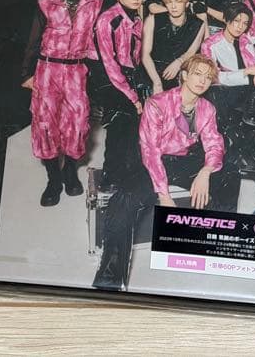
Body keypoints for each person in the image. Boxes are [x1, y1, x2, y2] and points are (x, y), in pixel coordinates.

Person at [93, 54, 235, 291]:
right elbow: (150, 151)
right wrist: (164, 195)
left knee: (229, 175)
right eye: (197, 74)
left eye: (208, 77)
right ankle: (110, 278)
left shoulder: (207, 108)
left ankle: (214, 250)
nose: (202, 81)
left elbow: (214, 143)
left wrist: (206, 171)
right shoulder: (157, 103)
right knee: (122, 199)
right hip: (156, 161)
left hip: (186, 159)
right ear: (184, 75)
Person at [20, 0, 104, 206]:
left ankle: (69, 173)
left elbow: (101, 38)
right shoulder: (45, 3)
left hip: (77, 70)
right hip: (48, 69)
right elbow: (33, 39)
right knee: (45, 124)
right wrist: (26, 73)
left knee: (78, 123)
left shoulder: (96, 3)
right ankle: (53, 180)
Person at [201, 2, 255, 206]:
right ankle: (242, 155)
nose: (240, 26)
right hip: (229, 89)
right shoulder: (211, 43)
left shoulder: (248, 37)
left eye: (245, 23)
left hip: (254, 88)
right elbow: (212, 77)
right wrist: (248, 72)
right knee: (218, 93)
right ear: (226, 20)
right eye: (236, 21)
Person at [90, 0, 151, 188]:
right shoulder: (108, 20)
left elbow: (134, 58)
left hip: (128, 75)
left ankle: (129, 174)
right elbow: (110, 64)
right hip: (107, 78)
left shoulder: (136, 18)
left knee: (135, 127)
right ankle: (110, 177)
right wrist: (132, 97)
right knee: (120, 124)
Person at [142, 0, 206, 93]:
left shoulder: (198, 23)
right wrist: (157, 82)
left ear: (187, 4)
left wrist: (178, 62)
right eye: (169, 2)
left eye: (178, 1)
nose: (173, 6)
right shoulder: (153, 19)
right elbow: (145, 55)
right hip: (151, 71)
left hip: (179, 72)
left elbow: (191, 52)